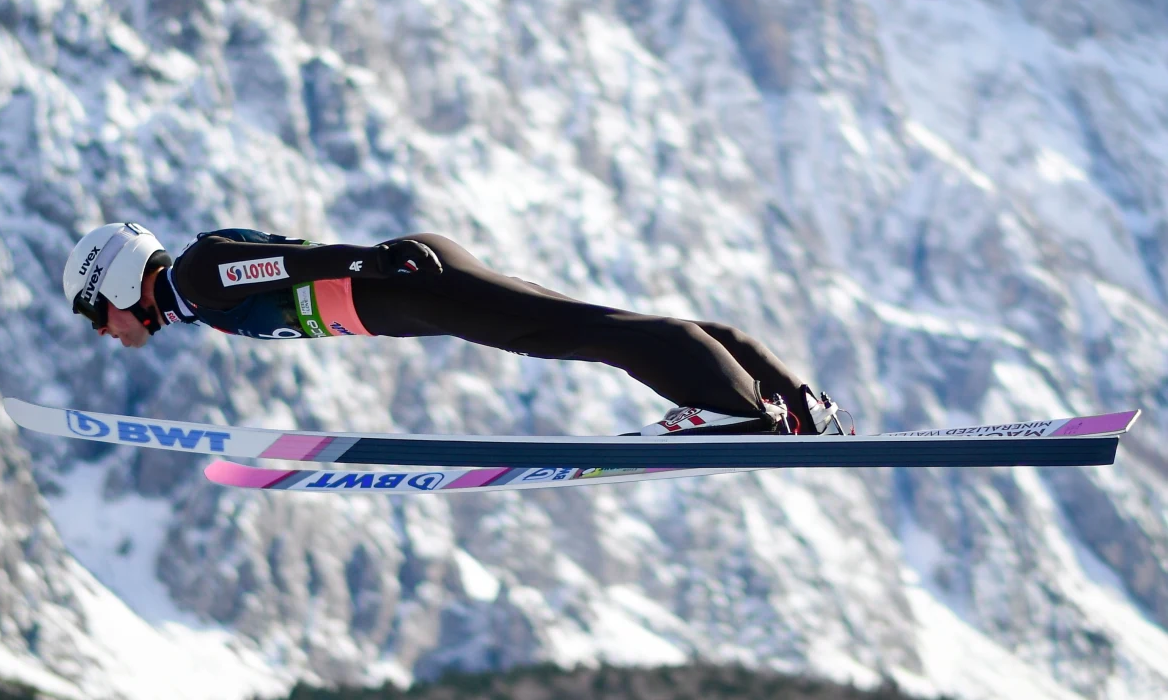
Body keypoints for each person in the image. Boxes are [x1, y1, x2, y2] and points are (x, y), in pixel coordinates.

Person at [62, 222, 846, 436]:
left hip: (412, 287)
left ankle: (743, 413)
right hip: (410, 292)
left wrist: (376, 262)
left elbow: (290, 266)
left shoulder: (198, 277)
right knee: (593, 327)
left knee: (587, 333)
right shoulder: (195, 293)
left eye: (98, 312)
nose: (104, 331)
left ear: (119, 281)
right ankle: (792, 405)